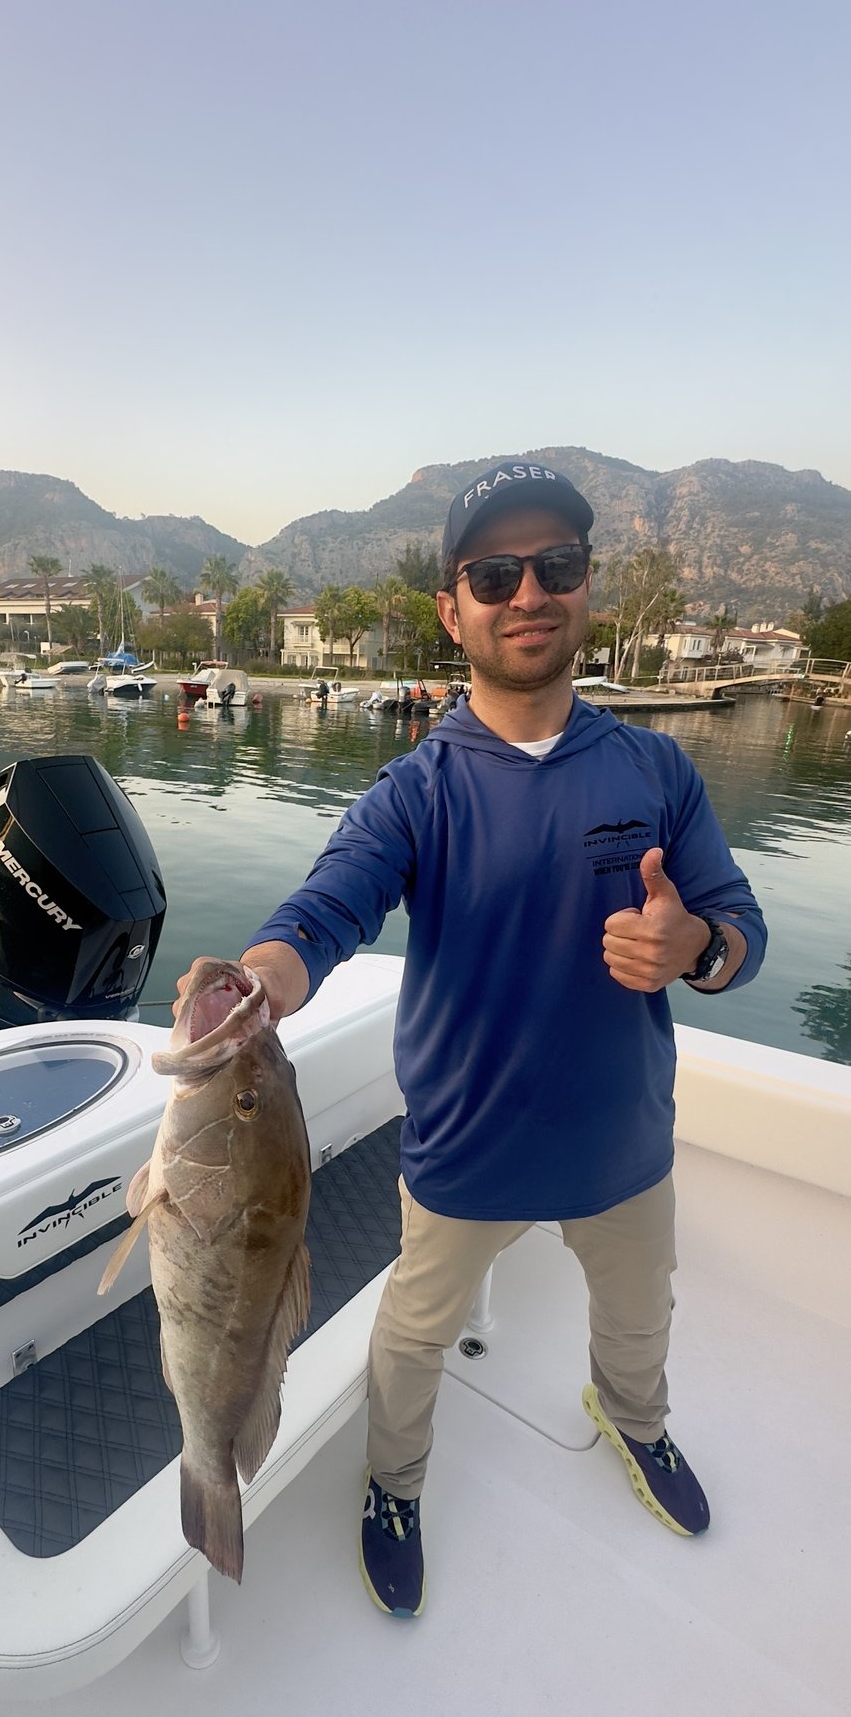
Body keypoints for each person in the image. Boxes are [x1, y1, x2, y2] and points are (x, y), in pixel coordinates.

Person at [176, 460, 767, 1619]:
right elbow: (323, 910)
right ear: (454, 610)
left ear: (588, 587)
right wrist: (258, 985)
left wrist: (694, 943)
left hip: (623, 1144)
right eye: (495, 572)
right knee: (412, 1336)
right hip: (465, 1153)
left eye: (557, 565)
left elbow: (741, 929)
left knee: (641, 1317)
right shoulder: (415, 791)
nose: (529, 591)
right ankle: (394, 1484)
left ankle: (632, 1421)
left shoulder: (656, 767)